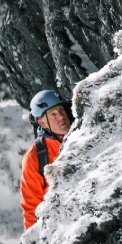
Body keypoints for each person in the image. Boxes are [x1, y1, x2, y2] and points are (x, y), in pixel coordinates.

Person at [20, 89, 73, 230]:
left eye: (61, 110)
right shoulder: (35, 157)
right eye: (53, 114)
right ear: (42, 123)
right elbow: (31, 207)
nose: (61, 117)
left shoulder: (85, 134)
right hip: (60, 227)